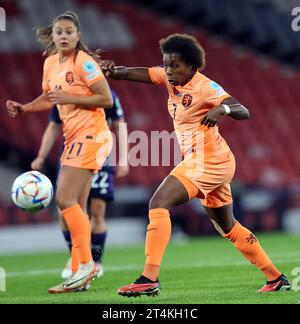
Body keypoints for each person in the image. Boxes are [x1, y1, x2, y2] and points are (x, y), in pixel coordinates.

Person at [103, 33, 291, 297]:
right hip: (210, 161)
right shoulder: (170, 80)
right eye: (166, 64)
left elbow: (242, 110)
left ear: (192, 66)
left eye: (174, 65)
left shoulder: (205, 87)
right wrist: (114, 72)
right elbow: (137, 73)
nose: (168, 71)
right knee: (227, 226)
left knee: (158, 203)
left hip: (208, 160)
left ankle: (148, 278)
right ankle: (276, 278)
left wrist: (222, 110)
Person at [6, 11, 114, 293]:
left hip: (93, 135)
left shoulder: (85, 63)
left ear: (78, 36)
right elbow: (49, 97)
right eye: (59, 32)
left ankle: (87, 265)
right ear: (53, 37)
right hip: (73, 137)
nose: (64, 36)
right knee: (75, 205)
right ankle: (80, 272)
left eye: (69, 31)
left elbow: (105, 99)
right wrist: (26, 107)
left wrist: (70, 97)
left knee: (64, 199)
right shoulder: (51, 64)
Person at [31, 91, 128, 281]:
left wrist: (123, 159)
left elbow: (119, 124)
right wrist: (41, 156)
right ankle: (76, 258)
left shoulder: (107, 95)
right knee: (66, 211)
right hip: (71, 156)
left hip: (98, 154)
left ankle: (96, 262)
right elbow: (53, 126)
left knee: (97, 211)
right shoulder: (64, 92)